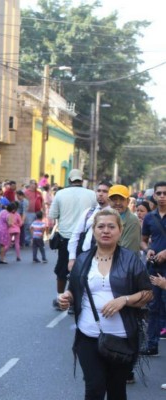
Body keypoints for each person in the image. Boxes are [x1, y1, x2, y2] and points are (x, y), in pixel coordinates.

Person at [58, 209, 152, 400]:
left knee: (117, 390)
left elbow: (148, 293)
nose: (105, 231)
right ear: (94, 230)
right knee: (94, 388)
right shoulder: (83, 259)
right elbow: (73, 290)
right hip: (88, 335)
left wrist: (124, 299)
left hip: (122, 339)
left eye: (111, 226)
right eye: (101, 226)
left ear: (120, 230)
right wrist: (65, 297)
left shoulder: (131, 259)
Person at [49, 169, 96, 310]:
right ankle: (76, 300)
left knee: (62, 270)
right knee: (83, 270)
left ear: (69, 180)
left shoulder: (60, 194)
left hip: (66, 238)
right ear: (82, 180)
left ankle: (61, 298)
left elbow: (53, 215)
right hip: (85, 238)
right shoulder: (92, 194)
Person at [141, 181, 166, 356]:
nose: (162, 196)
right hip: (155, 267)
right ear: (154, 196)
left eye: (165, 193)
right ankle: (152, 344)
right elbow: (143, 240)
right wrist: (147, 250)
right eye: (159, 193)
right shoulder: (149, 217)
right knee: (153, 305)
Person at [68, 181, 112, 271]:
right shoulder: (89, 212)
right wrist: (72, 258)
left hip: (106, 259)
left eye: (105, 191)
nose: (100, 194)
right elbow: (76, 235)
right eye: (99, 191)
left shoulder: (114, 214)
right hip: (85, 257)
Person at [24, 179, 44, 246]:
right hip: (29, 212)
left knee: (38, 227)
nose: (34, 185)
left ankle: (37, 240)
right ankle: (27, 240)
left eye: (35, 184)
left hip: (38, 212)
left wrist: (43, 210)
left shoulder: (39, 193)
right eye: (33, 184)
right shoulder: (26, 192)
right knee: (29, 226)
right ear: (30, 184)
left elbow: (42, 201)